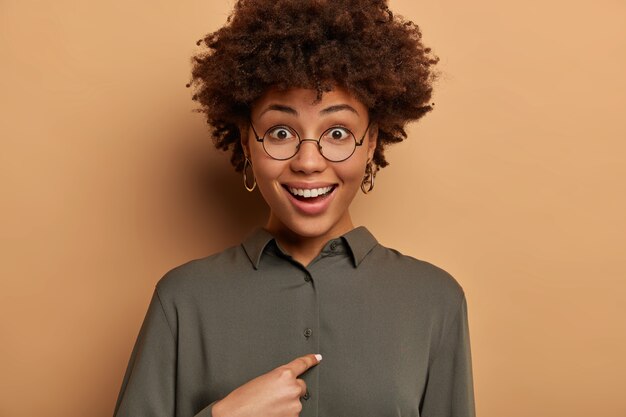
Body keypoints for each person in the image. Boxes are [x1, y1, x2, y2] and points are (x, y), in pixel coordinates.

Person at [113, 0, 475, 416]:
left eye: (337, 132)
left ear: (371, 142)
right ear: (248, 141)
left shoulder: (435, 301)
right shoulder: (182, 299)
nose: (308, 162)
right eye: (281, 131)